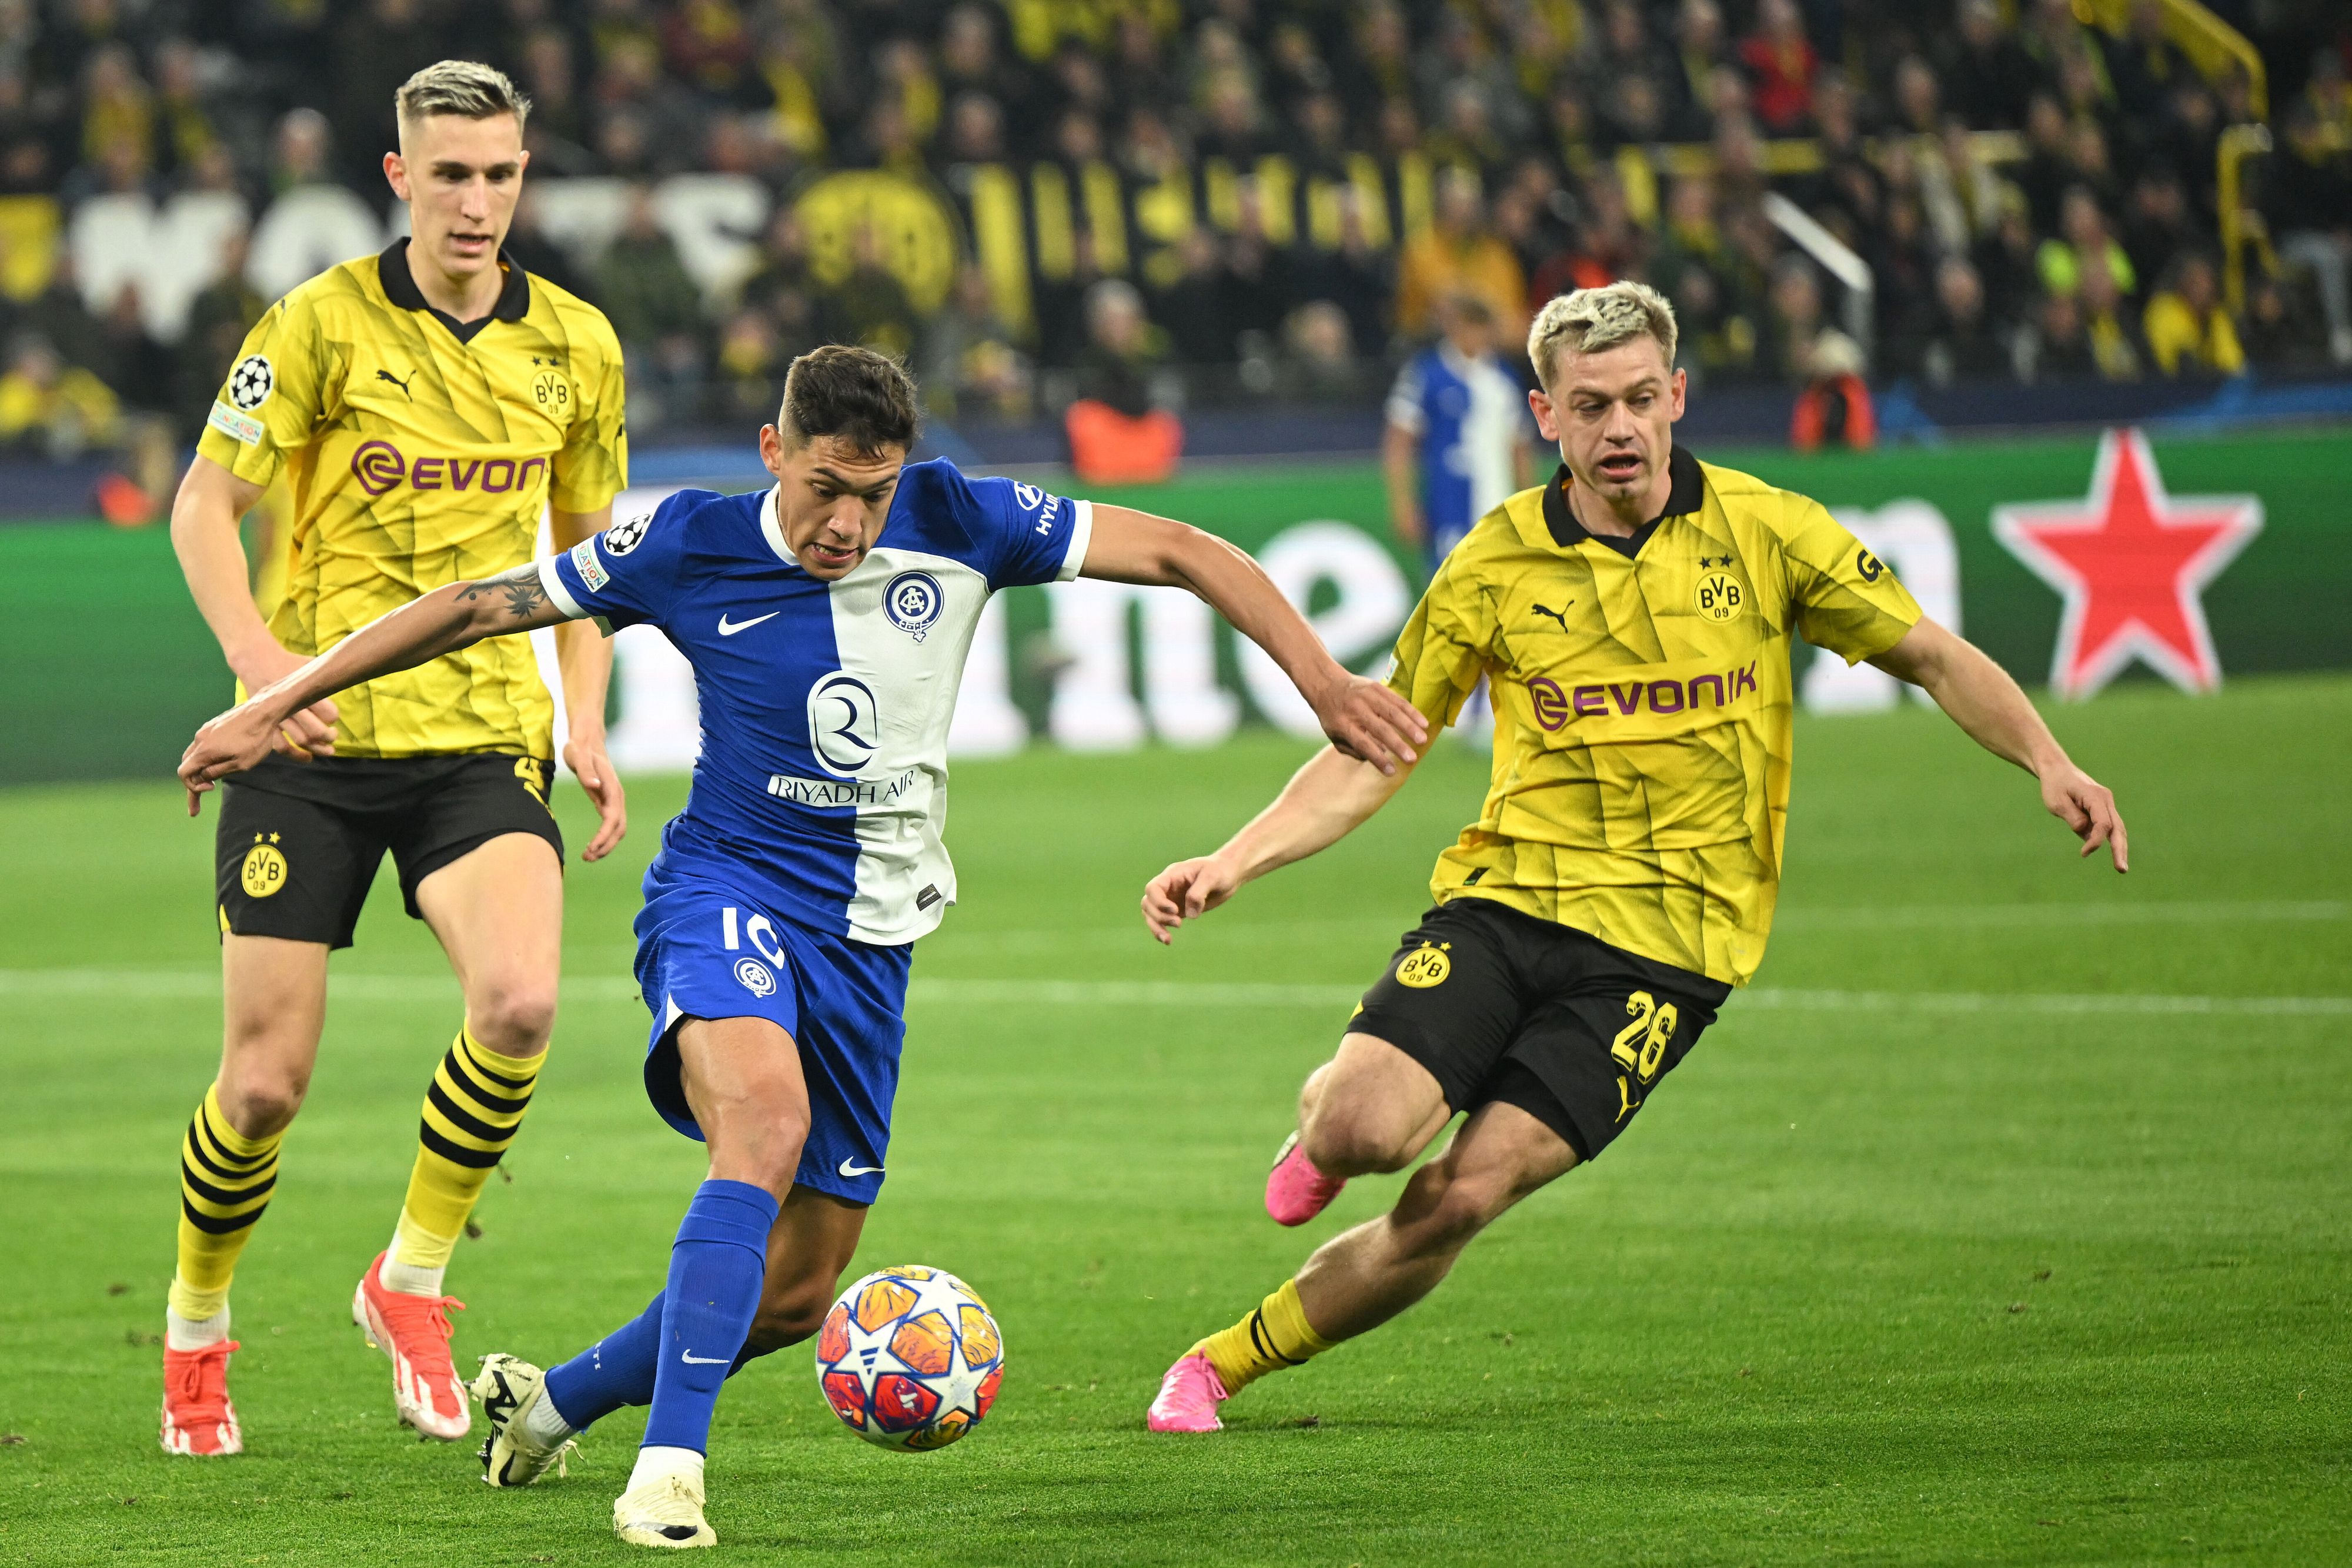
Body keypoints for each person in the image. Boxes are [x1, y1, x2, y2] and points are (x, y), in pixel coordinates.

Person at [176, 345, 1429, 1547]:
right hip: (724, 889)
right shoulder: (685, 543)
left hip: (874, 937)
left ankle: (554, 1403)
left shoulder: (964, 518)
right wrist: (274, 701)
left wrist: (1324, 684)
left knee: (792, 1294)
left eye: (872, 493)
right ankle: (668, 1472)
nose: (847, 521)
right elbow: (474, 607)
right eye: (825, 485)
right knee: (763, 1128)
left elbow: (1185, 550)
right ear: (775, 449)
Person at [1138, 281, 2128, 1434]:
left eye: (1641, 399)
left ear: (1677, 397)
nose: (1620, 427)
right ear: (1544, 415)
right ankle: (1321, 1138)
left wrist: (2048, 759)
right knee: (1362, 1131)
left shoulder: (1768, 531)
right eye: (1591, 404)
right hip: (1510, 904)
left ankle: (1216, 1363)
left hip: (1669, 955)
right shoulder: (1495, 562)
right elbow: (1376, 749)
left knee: (1459, 1195)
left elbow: (1933, 656)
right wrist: (1237, 858)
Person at [159, 61, 630, 1459]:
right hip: (309, 741)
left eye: (500, 174)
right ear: (400, 178)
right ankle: (196, 1324)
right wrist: (262, 672)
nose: (477, 203)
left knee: (522, 1003)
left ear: (524, 176)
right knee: (262, 1086)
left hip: (480, 737)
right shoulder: (315, 325)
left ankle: (409, 1277)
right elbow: (202, 507)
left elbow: (589, 562)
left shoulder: (579, 347)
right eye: (451, 175)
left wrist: (586, 714)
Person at [1381, 293, 1532, 576]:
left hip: (1497, 499)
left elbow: (1519, 445)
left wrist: (1529, 502)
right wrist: (1403, 503)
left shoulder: (1504, 379)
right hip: (1448, 500)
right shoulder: (1426, 374)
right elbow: (1399, 440)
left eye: (1481, 326)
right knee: (1449, 582)